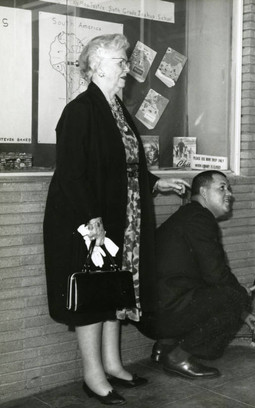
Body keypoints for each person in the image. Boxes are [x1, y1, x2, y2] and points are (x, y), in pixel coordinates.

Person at [43, 34, 189, 405]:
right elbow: (72, 175)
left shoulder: (116, 109)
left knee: (114, 290)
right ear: (96, 64)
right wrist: (93, 223)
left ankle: (112, 363)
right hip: (88, 221)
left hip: (121, 218)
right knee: (94, 295)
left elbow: (125, 166)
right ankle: (93, 375)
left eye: (126, 61)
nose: (127, 68)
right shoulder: (80, 110)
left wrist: (156, 182)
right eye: (121, 62)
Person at [139, 170, 255, 379]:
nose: (229, 193)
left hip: (150, 313)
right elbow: (216, 275)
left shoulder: (188, 215)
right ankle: (178, 358)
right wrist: (242, 300)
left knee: (217, 292)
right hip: (162, 314)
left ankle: (164, 347)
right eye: (222, 187)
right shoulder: (199, 219)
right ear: (203, 192)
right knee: (234, 296)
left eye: (229, 188)